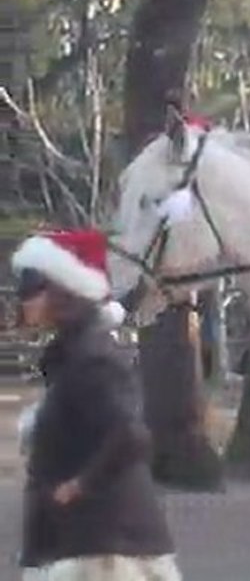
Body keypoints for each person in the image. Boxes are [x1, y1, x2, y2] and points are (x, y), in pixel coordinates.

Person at [12, 228, 180, 581]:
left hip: (104, 549)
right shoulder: (73, 355)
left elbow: (131, 435)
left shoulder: (92, 357)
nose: (23, 299)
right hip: (84, 542)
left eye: (33, 285)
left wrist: (77, 486)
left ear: (63, 290)